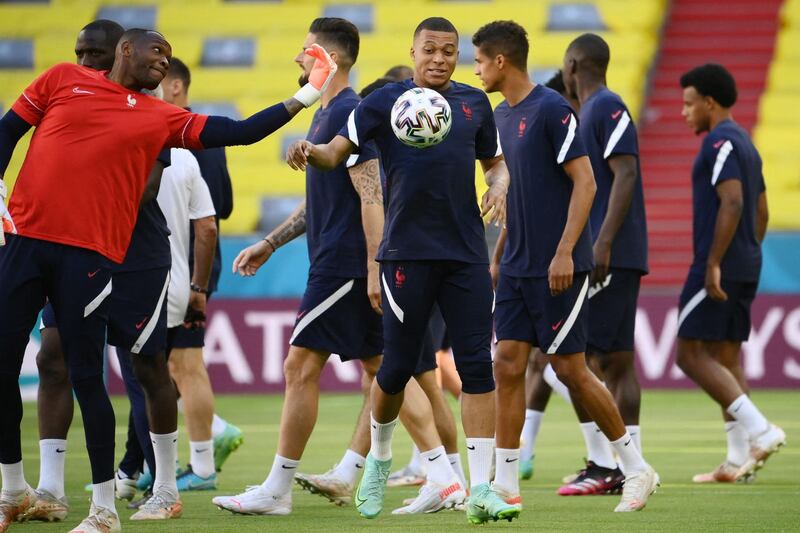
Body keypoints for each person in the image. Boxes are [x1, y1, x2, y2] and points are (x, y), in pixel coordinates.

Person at [0, 27, 335, 533]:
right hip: (25, 240)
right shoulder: (60, 80)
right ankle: (13, 491)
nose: (164, 61)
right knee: (15, 364)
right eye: (157, 52)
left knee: (97, 376)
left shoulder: (159, 116)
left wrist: (309, 91)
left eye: (170, 57)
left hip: (92, 256)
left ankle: (106, 508)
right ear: (126, 50)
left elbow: (241, 131)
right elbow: (7, 131)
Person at [286, 17, 515, 524]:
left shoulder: (475, 104)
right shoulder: (380, 103)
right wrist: (311, 152)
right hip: (405, 255)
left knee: (477, 366)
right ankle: (378, 463)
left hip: (466, 254)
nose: (439, 58)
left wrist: (498, 185)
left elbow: (495, 163)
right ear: (412, 52)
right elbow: (336, 154)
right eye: (430, 49)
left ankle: (482, 489)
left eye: (449, 51)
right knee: (395, 369)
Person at [473, 20, 659, 514]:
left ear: (500, 61)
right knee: (507, 364)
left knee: (572, 370)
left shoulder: (553, 109)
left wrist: (565, 250)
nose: (474, 71)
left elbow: (587, 183)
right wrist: (498, 251)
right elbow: (516, 188)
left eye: (477, 60)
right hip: (516, 267)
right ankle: (507, 487)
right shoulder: (498, 115)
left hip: (558, 266)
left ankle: (636, 469)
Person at [22, 19, 178, 523]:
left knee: (147, 366)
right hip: (70, 249)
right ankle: (50, 488)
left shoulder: (146, 113)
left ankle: (167, 487)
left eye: (94, 54)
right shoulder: (66, 97)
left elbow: (145, 190)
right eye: (79, 53)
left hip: (136, 255)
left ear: (121, 56)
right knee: (53, 358)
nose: (84, 62)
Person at [676, 63, 785, 482]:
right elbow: (762, 210)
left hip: (718, 263)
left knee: (688, 354)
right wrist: (746, 253)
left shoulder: (719, 141)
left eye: (689, 104)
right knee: (725, 355)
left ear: (709, 102)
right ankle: (739, 460)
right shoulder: (746, 143)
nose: (684, 112)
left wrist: (716, 261)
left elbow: (735, 202)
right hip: (746, 261)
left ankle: (761, 430)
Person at [552, 32, 650, 496]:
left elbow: (626, 170)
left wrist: (605, 242)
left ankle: (621, 466)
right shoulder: (588, 112)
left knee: (607, 360)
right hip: (602, 251)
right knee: (586, 358)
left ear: (573, 64)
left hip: (613, 251)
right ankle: (608, 462)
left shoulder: (606, 106)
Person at [159, 57, 242, 490]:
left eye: (157, 81)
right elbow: (224, 204)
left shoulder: (183, 136)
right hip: (190, 264)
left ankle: (204, 464)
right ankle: (206, 437)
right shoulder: (207, 136)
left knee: (184, 363)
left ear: (175, 86)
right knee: (169, 364)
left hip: (189, 265)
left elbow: (211, 214)